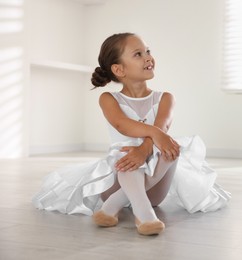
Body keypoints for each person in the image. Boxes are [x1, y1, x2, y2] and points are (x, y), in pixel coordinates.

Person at [32, 33, 231, 236]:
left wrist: (144, 150)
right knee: (125, 152)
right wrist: (149, 139)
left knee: (171, 147)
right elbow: (122, 125)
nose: (148, 57)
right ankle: (145, 216)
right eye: (138, 54)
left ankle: (111, 207)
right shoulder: (109, 98)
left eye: (148, 51)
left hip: (154, 189)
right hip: (117, 179)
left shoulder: (165, 98)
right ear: (119, 69)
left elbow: (162, 129)